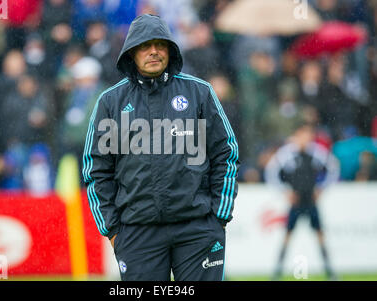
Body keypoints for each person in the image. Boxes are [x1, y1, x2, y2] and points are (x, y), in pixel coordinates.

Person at [83, 14, 239, 281]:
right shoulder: (110, 102)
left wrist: (218, 217)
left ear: (170, 49)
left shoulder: (199, 93)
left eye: (160, 44)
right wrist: (113, 230)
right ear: (131, 53)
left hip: (198, 229)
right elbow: (96, 170)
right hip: (136, 233)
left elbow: (226, 153)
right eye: (145, 45)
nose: (153, 51)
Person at [264, 123, 340, 281]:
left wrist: (321, 188)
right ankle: (277, 272)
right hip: (296, 202)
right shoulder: (287, 153)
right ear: (296, 136)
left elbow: (333, 167)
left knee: (320, 235)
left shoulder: (316, 152)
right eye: (303, 135)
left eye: (309, 135)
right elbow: (271, 172)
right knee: (287, 235)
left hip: (311, 201)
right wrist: (285, 191)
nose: (306, 138)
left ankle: (329, 271)